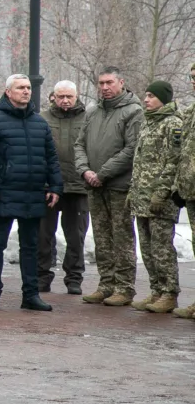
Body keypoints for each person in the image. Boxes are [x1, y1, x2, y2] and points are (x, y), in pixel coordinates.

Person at [0, 75, 63, 311]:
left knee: (31, 246)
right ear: (8, 92)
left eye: (28, 88)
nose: (26, 92)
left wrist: (55, 186)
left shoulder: (40, 122)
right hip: (4, 191)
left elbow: (51, 157)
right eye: (21, 88)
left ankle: (31, 295)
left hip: (33, 192)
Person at [74, 67, 143, 307]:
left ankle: (124, 287)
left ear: (121, 82)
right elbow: (79, 144)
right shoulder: (92, 112)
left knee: (121, 236)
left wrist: (103, 173)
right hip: (94, 185)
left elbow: (131, 149)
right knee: (102, 238)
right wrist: (85, 170)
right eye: (101, 83)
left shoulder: (133, 111)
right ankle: (106, 284)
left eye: (109, 82)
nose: (104, 87)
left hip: (119, 186)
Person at [128, 81, 182, 314]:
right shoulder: (148, 123)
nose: (146, 100)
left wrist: (161, 193)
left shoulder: (173, 124)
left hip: (161, 199)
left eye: (151, 96)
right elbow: (139, 163)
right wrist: (133, 191)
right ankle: (156, 290)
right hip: (142, 197)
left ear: (163, 98)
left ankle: (169, 293)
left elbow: (173, 161)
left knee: (162, 248)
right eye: (145, 95)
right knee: (148, 248)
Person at [38, 80, 89, 295]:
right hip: (49, 186)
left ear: (76, 96)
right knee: (43, 235)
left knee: (76, 236)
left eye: (69, 96)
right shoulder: (42, 119)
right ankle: (41, 276)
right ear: (54, 97)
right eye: (61, 97)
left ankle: (74, 278)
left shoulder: (89, 118)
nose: (65, 100)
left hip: (78, 187)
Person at [173, 64, 195, 319]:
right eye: (191, 77)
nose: (193, 81)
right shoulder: (189, 113)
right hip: (190, 190)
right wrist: (179, 185)